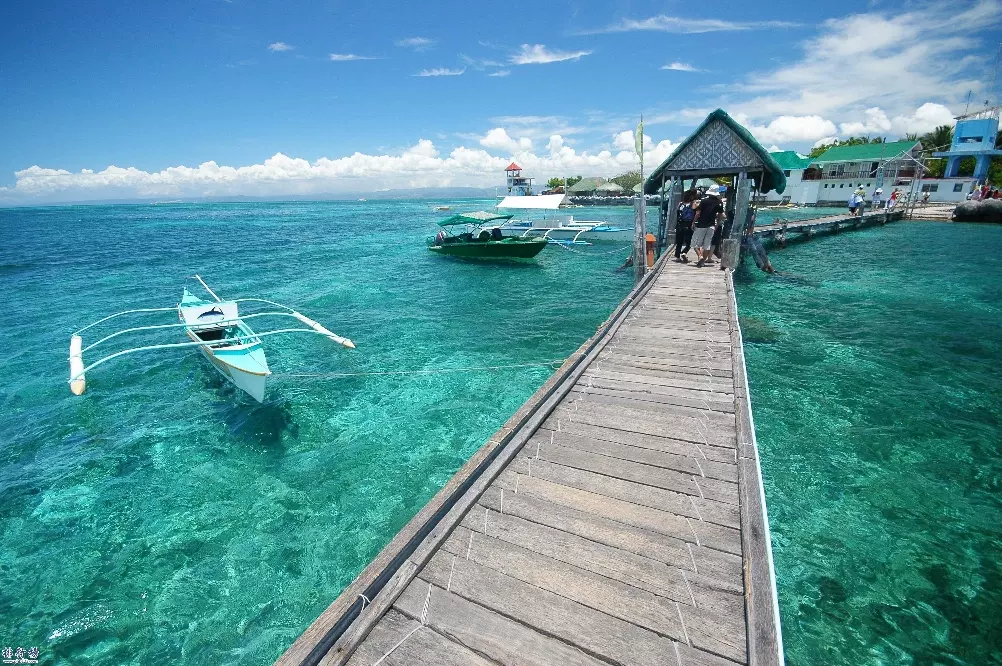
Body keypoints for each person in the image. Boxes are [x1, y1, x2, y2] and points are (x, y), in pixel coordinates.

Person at [691, 189, 723, 268]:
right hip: (711, 226)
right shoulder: (719, 202)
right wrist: (717, 224)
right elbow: (720, 215)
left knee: (694, 243)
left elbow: (698, 213)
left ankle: (700, 256)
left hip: (701, 225)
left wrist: (693, 222)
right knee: (707, 245)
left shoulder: (703, 201)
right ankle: (702, 263)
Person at [675, 189, 697, 262]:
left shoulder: (680, 204)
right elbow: (696, 212)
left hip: (679, 224)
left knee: (679, 242)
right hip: (688, 224)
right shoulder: (693, 203)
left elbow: (677, 213)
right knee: (689, 242)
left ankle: (677, 257)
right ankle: (684, 252)